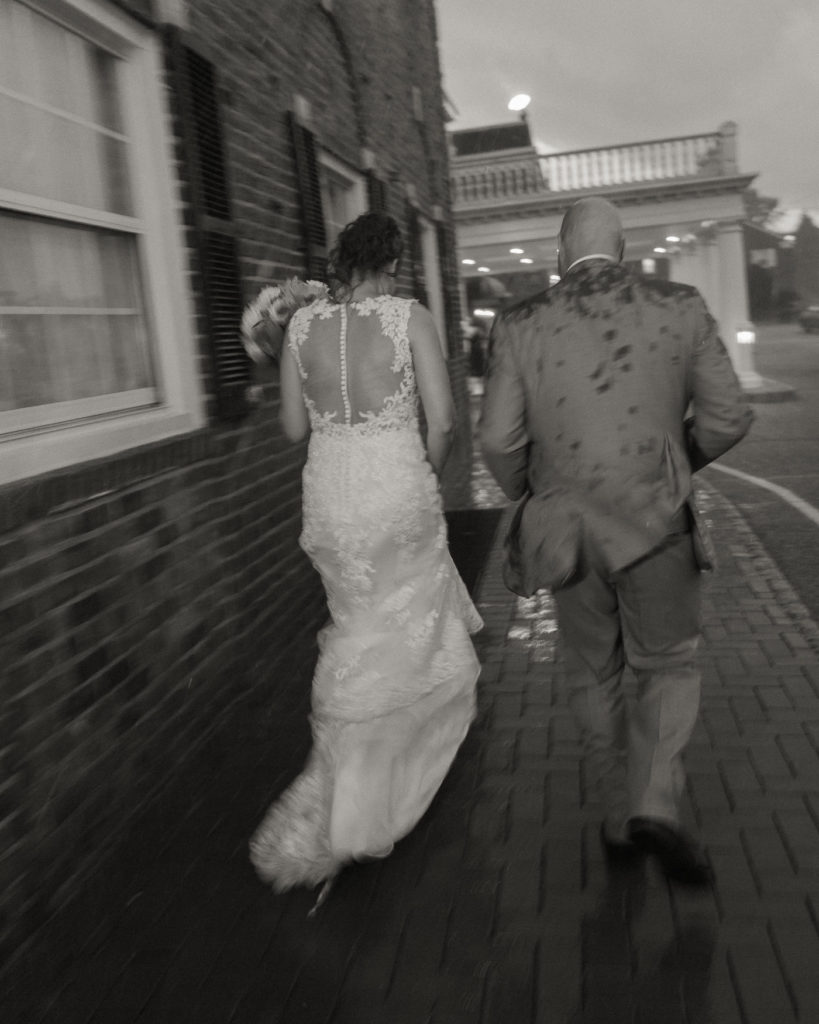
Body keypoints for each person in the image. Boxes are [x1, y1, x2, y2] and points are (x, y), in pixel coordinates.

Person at [480, 197, 753, 885]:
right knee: (667, 664)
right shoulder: (680, 305)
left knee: (591, 672)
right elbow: (727, 416)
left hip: (567, 535)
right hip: (657, 525)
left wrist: (532, 488)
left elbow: (496, 439)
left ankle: (615, 817)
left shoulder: (520, 323)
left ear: (558, 253)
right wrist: (674, 461)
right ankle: (653, 801)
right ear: (623, 250)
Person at [250, 212, 482, 907]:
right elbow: (441, 421)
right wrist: (423, 474)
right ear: (394, 262)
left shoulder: (300, 326)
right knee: (404, 637)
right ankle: (378, 787)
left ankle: (348, 784)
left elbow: (294, 428)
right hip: (394, 486)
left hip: (331, 496)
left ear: (340, 262)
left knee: (356, 632)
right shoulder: (409, 316)